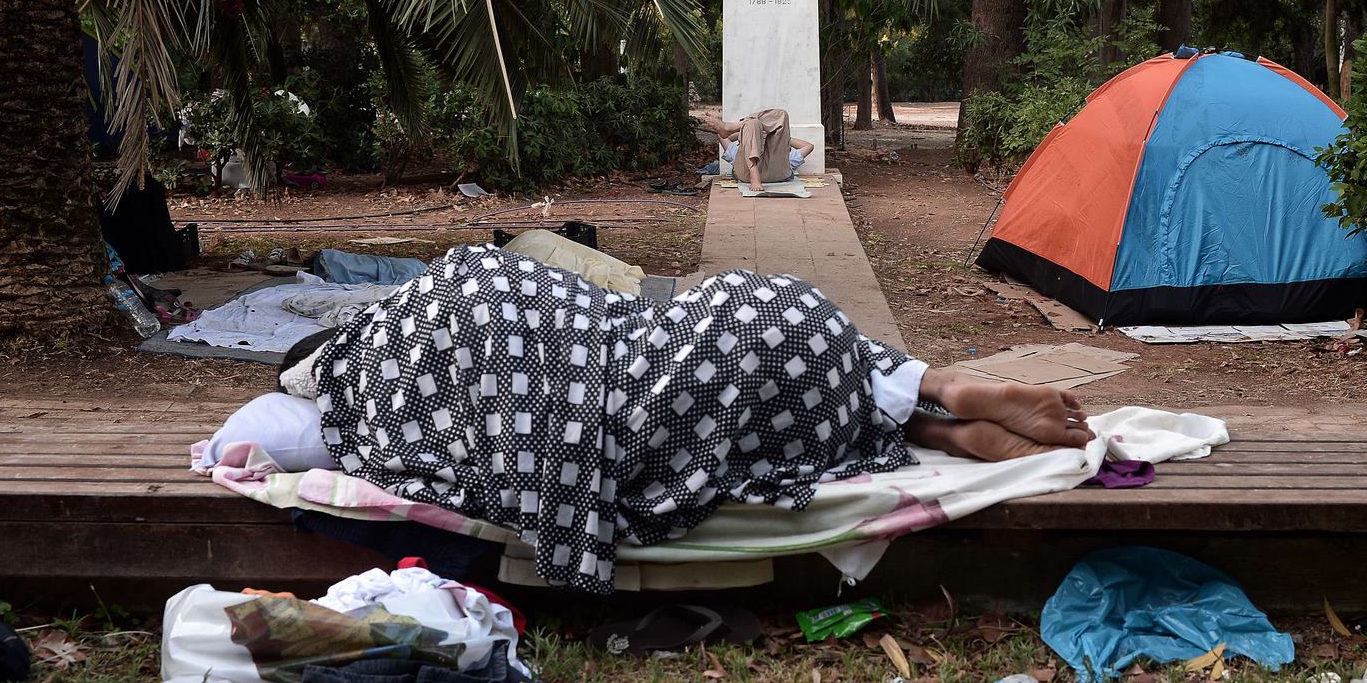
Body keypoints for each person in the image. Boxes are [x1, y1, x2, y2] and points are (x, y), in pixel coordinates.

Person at [283, 245, 1092, 594]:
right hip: (760, 314)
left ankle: (939, 430)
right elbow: (574, 305)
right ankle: (937, 391)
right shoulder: (461, 281)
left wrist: (571, 541)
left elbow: (490, 461)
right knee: (748, 335)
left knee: (713, 420)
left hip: (728, 398)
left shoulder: (384, 406)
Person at [703, 109, 808, 190]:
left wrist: (782, 139)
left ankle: (732, 127)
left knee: (782, 114)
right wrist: (747, 133)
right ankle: (754, 172)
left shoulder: (788, 156)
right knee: (753, 123)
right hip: (747, 174)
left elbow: (809, 146)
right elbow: (723, 137)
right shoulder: (736, 151)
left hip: (778, 172)